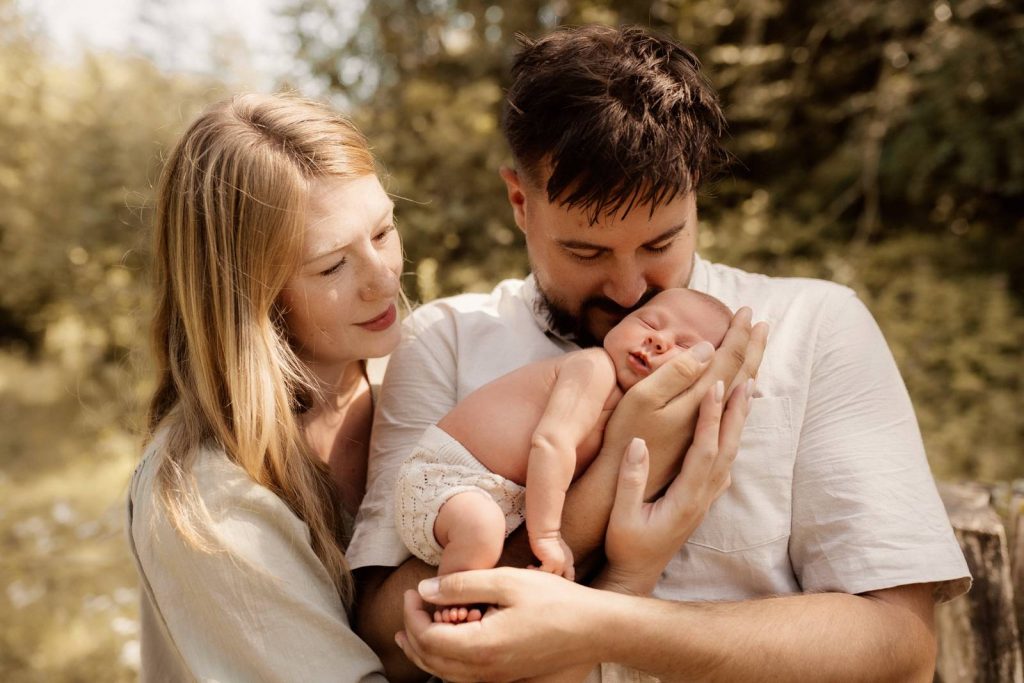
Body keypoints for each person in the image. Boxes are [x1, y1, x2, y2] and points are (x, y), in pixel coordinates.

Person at [349, 25, 971, 681]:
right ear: (519, 203)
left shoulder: (815, 326)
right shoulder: (445, 341)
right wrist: (624, 458)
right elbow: (385, 640)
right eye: (585, 252)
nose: (629, 290)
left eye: (659, 244)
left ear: (696, 189)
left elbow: (901, 647)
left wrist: (607, 624)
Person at [127, 93, 403, 681]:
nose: (383, 281)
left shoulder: (421, 365)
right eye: (332, 266)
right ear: (248, 298)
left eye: (383, 232)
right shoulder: (206, 499)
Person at [395, 288, 733, 602]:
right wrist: (548, 537)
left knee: (487, 532)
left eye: (685, 347)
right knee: (481, 526)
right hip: (447, 479)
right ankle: (454, 600)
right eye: (649, 322)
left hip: (495, 507)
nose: (658, 340)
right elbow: (551, 442)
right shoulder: (593, 366)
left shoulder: (643, 414)